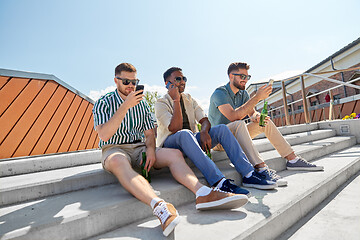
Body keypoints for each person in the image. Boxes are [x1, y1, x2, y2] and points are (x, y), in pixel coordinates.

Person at [92, 63, 248, 237]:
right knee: (117, 161)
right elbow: (104, 135)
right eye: (127, 81)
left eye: (134, 82)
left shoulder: (142, 105)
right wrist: (125, 107)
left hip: (140, 147)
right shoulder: (103, 102)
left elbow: (150, 134)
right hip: (115, 147)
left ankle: (203, 193)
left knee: (174, 154)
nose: (131, 86)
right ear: (116, 80)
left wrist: (151, 150)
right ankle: (159, 206)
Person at [155, 67, 277, 197]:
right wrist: (176, 100)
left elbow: (205, 120)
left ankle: (248, 174)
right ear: (167, 84)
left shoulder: (189, 99)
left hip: (191, 139)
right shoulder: (161, 103)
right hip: (170, 143)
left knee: (222, 129)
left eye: (184, 79)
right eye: (178, 79)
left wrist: (204, 132)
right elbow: (175, 128)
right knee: (185, 133)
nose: (182, 82)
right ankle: (219, 182)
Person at [208, 62, 324, 178]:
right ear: (231, 76)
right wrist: (257, 97)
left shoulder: (243, 94)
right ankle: (260, 168)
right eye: (242, 77)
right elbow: (233, 116)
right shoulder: (220, 93)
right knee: (239, 123)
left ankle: (292, 160)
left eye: (247, 77)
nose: (245, 80)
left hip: (236, 134)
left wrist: (257, 117)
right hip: (219, 141)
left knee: (265, 122)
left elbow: (252, 113)